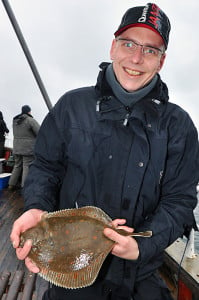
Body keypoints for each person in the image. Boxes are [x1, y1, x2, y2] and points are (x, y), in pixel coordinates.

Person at [10, 3, 199, 300]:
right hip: (73, 266)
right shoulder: (71, 107)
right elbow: (46, 168)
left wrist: (142, 246)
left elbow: (180, 199)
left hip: (141, 274)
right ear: (113, 47)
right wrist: (37, 206)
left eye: (150, 50)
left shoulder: (180, 126)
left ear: (161, 62)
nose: (136, 58)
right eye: (129, 44)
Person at [8, 105, 40, 189]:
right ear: (29, 111)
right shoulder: (30, 120)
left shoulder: (15, 120)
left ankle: (11, 184)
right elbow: (39, 132)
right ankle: (24, 187)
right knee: (26, 166)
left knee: (17, 165)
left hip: (16, 147)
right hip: (27, 148)